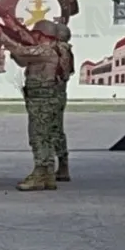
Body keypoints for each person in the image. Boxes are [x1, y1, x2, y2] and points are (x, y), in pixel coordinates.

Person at [0, 19, 61, 191]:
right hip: (42, 98)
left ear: (41, 34)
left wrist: (5, 39)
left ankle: (40, 174)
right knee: (45, 137)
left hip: (41, 100)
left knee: (38, 137)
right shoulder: (47, 51)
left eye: (35, 33)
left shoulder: (46, 50)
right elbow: (23, 59)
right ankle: (47, 175)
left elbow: (22, 51)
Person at [52, 22, 75, 182]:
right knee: (57, 130)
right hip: (60, 93)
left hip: (53, 93)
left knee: (51, 131)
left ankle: (55, 167)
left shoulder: (58, 50)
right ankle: (62, 166)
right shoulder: (66, 50)